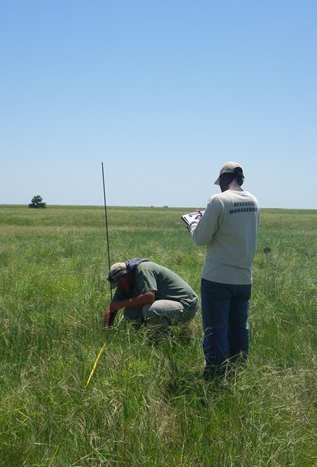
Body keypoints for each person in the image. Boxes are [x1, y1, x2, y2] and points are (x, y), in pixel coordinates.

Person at [188, 162, 260, 379]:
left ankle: (215, 374)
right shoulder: (254, 201)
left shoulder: (218, 200)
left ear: (225, 178)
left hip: (217, 277)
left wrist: (193, 223)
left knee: (216, 329)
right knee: (240, 327)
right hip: (244, 278)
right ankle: (237, 370)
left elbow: (200, 238)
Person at [103, 258, 199, 338]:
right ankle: (146, 337)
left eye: (119, 284)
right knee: (129, 312)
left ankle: (161, 343)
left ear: (125, 276)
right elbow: (112, 307)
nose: (119, 288)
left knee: (150, 310)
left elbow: (149, 297)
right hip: (170, 306)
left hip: (186, 305)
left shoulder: (143, 270)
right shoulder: (125, 283)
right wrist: (106, 332)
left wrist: (121, 304)